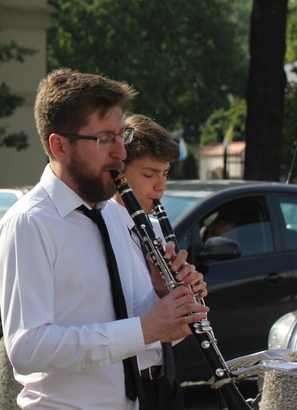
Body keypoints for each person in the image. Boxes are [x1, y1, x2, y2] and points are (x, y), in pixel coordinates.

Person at [0, 69, 209, 409]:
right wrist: (145, 329)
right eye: (105, 139)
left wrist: (166, 302)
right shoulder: (28, 224)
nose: (121, 152)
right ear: (59, 145)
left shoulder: (114, 213)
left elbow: (128, 321)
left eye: (122, 135)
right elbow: (27, 349)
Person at [110, 113, 207, 410]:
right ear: (118, 173)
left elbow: (156, 319)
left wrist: (177, 298)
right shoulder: (103, 228)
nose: (160, 186)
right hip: (123, 388)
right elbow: (115, 320)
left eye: (165, 174)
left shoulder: (153, 229)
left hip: (164, 381)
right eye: (149, 175)